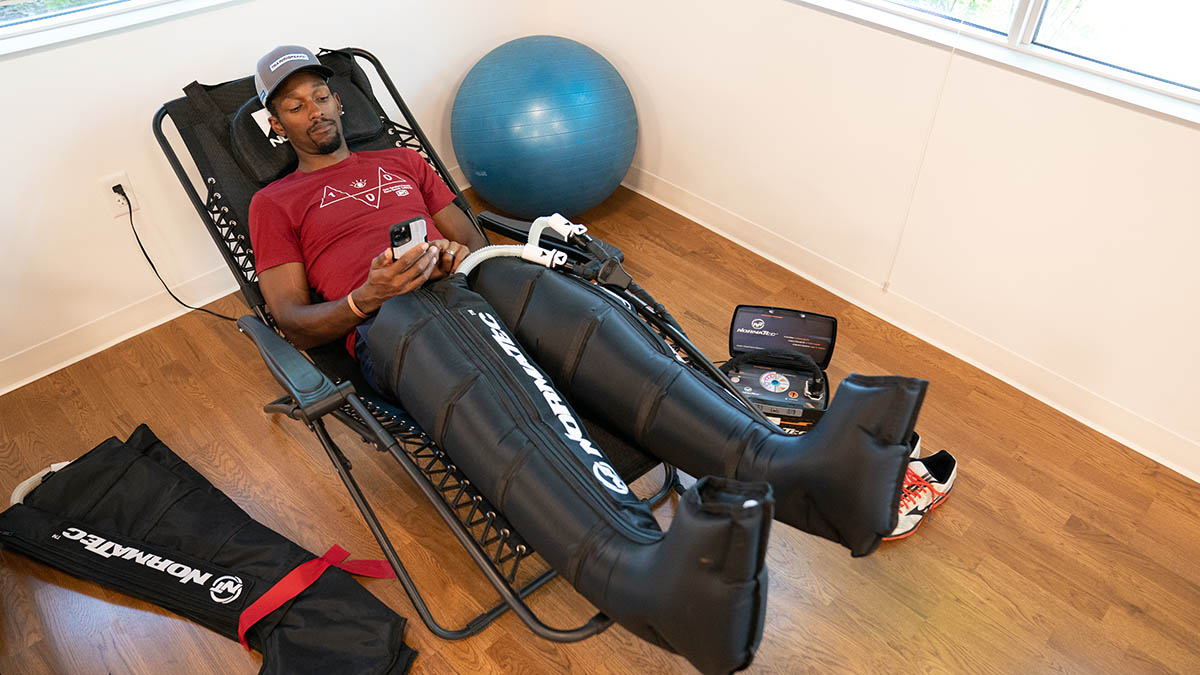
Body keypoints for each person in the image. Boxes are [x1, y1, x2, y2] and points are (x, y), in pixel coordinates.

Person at [247, 45, 486, 385]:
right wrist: (368, 296)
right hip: (388, 325)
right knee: (471, 378)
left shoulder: (404, 161)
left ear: (338, 103)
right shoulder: (272, 202)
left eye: (321, 98)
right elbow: (293, 325)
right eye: (297, 107)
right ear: (278, 126)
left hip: (459, 292)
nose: (316, 112)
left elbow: (473, 241)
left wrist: (457, 259)